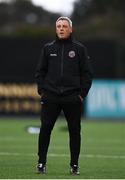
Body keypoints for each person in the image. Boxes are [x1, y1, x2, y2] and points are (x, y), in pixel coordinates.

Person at [35, 16, 93, 175]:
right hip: (51, 97)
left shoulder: (79, 49)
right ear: (56, 29)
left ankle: (74, 165)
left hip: (72, 97)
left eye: (64, 26)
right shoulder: (48, 48)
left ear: (70, 29)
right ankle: (41, 163)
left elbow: (87, 74)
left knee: (74, 131)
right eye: (59, 26)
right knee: (45, 129)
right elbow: (40, 72)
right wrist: (43, 91)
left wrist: (81, 95)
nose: (61, 28)